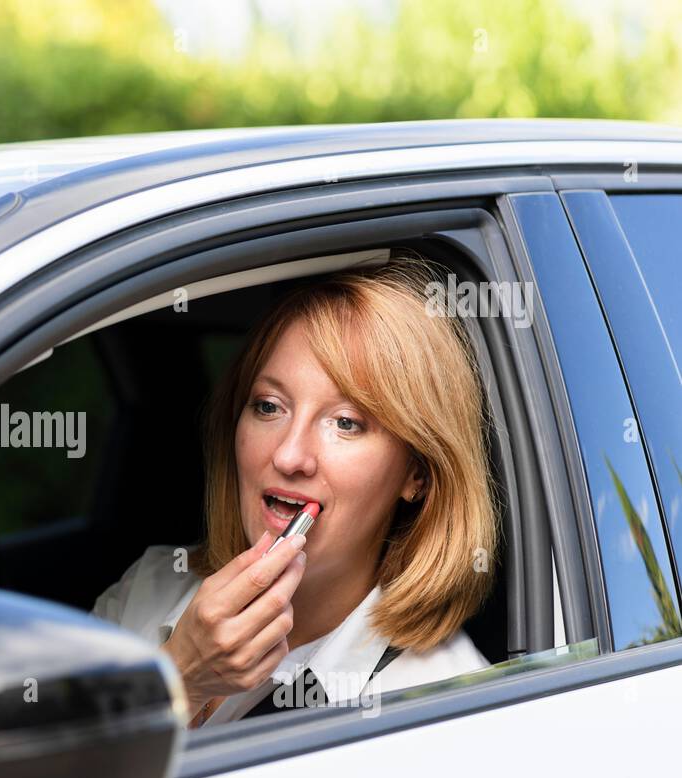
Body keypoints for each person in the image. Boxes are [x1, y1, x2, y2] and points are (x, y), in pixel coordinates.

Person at [92, 256, 500, 729]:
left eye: (346, 423)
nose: (289, 456)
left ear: (419, 474)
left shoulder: (449, 707)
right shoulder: (147, 590)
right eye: (269, 406)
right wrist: (180, 675)